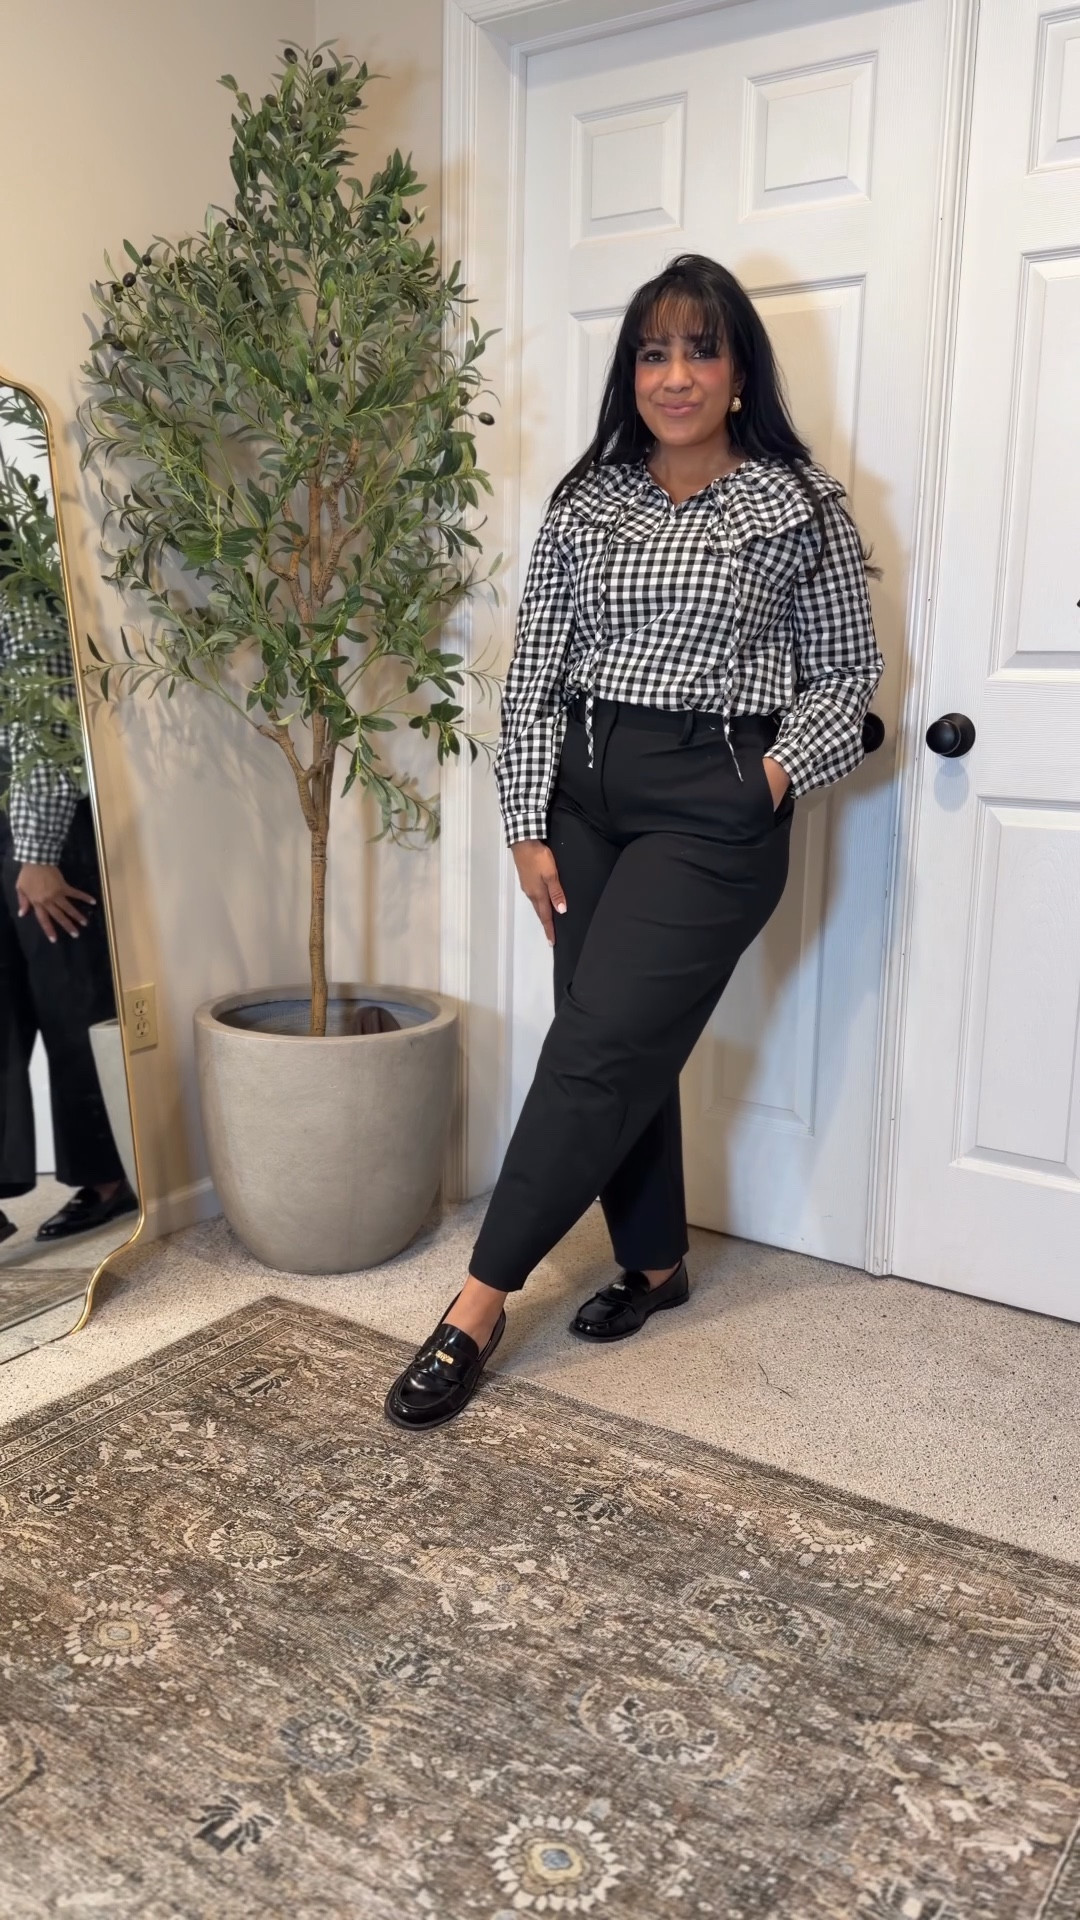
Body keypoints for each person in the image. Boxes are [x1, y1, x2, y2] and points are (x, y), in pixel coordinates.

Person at [385, 253, 884, 1430]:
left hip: (712, 799)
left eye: (701, 350)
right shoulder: (588, 501)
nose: (676, 375)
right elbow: (533, 678)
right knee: (615, 1035)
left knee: (599, 1046)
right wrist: (526, 823)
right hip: (584, 797)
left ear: (740, 371)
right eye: (654, 353)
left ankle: (476, 1304)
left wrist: (769, 778)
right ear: (631, 373)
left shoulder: (799, 505)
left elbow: (848, 676)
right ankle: (656, 1263)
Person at [0, 546, 136, 1246]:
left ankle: (107, 1177)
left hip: (35, 840)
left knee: (70, 1007)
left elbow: (43, 729)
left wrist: (37, 852)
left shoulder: (20, 595)